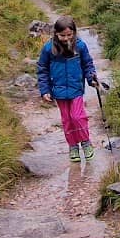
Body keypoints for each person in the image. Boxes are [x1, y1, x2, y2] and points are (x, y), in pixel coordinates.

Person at [36, 16, 98, 161]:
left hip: (76, 88)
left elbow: (88, 65)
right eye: (62, 35)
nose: (66, 38)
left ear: (74, 33)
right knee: (67, 119)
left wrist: (91, 79)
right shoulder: (48, 49)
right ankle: (73, 146)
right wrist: (45, 90)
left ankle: (86, 142)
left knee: (77, 116)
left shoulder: (80, 46)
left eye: (69, 35)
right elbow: (42, 69)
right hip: (58, 90)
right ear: (56, 34)